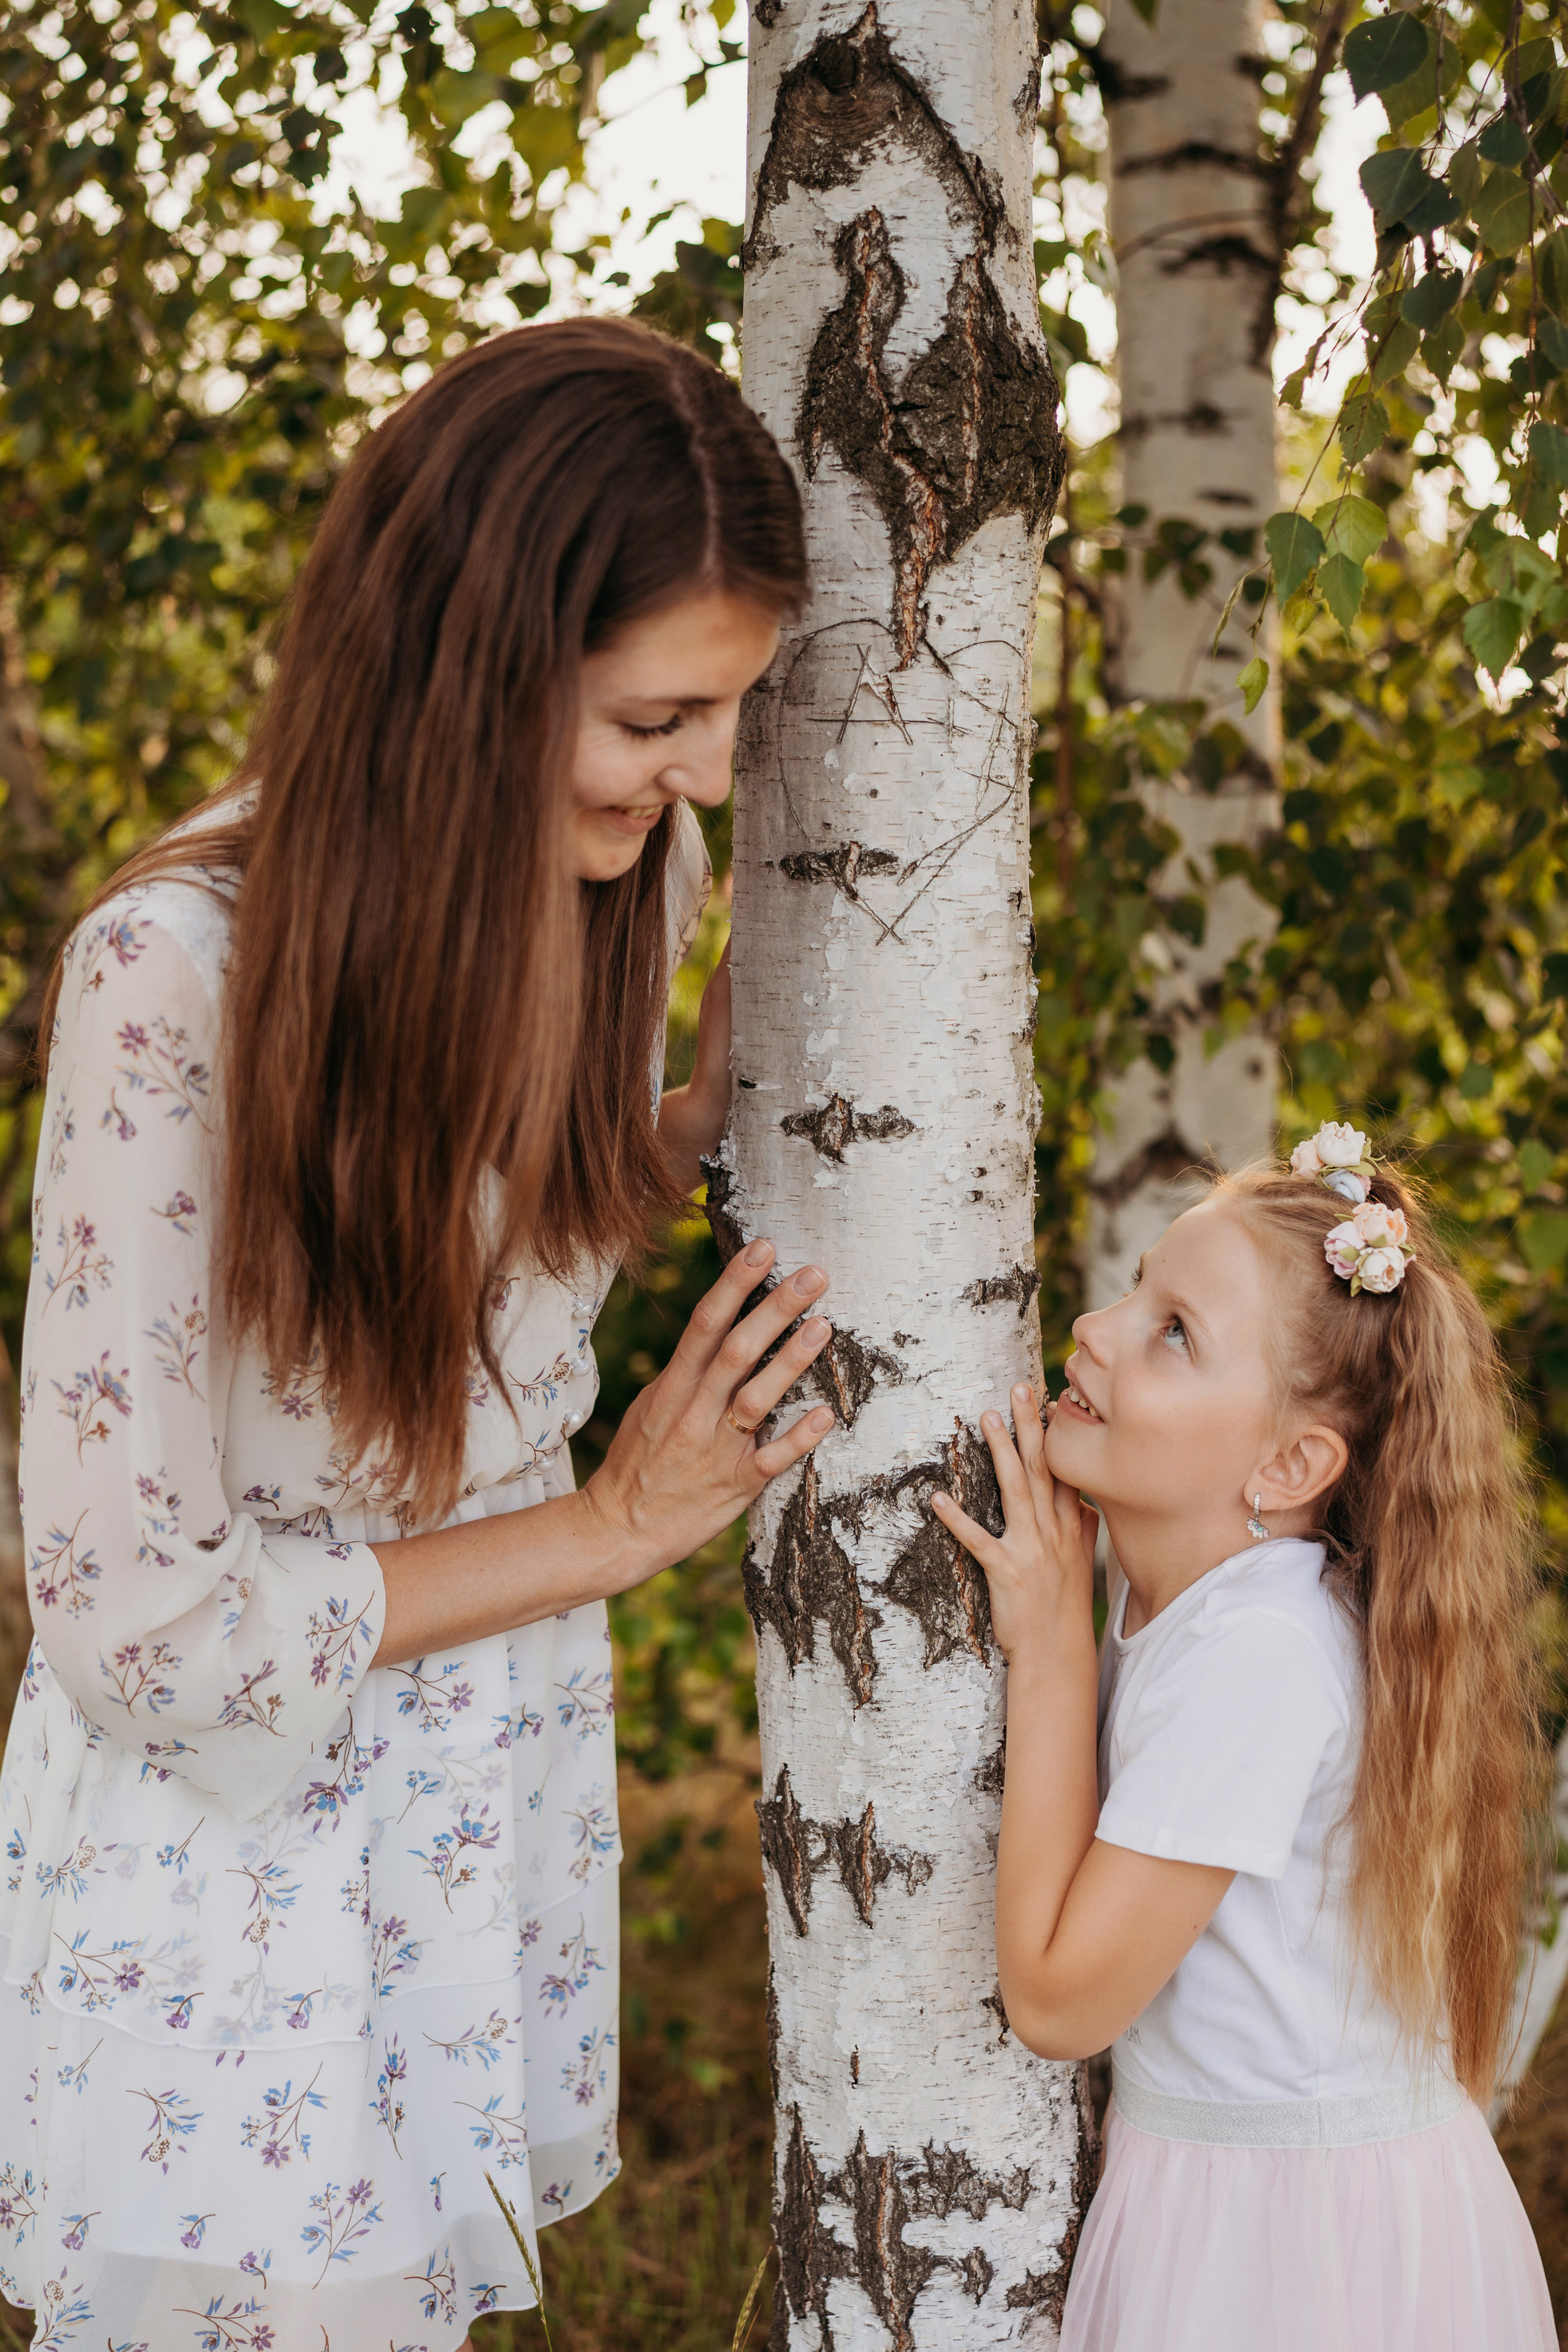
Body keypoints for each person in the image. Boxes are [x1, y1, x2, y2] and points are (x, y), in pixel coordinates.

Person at [0, 317, 837, 2350]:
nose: (707, 772)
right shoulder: (170, 979)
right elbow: (133, 1621)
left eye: (730, 714)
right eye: (659, 716)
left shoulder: (610, 873)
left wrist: (677, 1136)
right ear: (474, 671)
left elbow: (458, 1298)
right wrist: (617, 1530)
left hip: (471, 1782)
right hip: (243, 1852)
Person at [933, 1120, 1555, 2351]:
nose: (1092, 1332)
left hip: (1296, 2256)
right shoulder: (1199, 1598)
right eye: (1133, 1293)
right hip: (1272, 2197)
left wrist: (1049, 1654)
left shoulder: (1259, 1657)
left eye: (1173, 1334)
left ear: (1286, 1465)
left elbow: (1059, 2003)